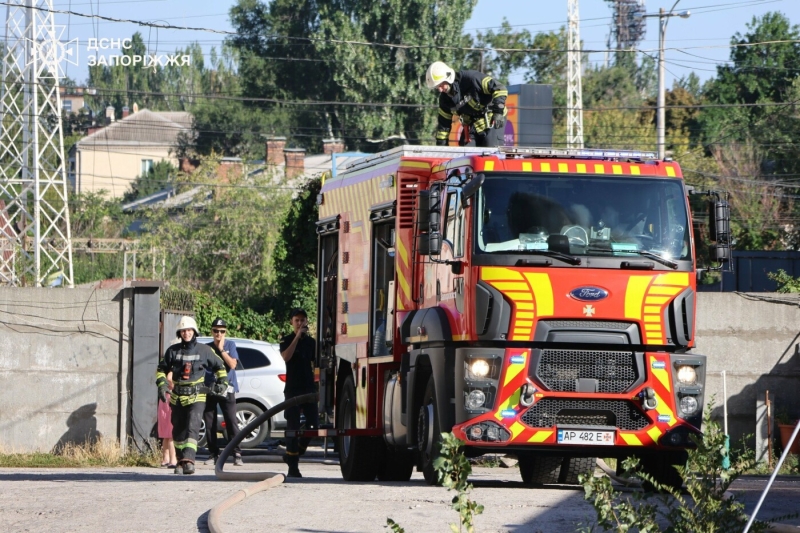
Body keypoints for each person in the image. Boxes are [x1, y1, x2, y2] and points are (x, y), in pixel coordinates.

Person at [156, 315, 227, 475]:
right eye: (183, 331)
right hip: (177, 396)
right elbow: (161, 369)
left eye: (189, 330)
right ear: (179, 333)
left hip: (197, 396)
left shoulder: (205, 350)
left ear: (194, 331)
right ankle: (181, 461)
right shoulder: (172, 351)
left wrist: (222, 384)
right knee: (178, 430)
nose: (186, 333)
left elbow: (220, 367)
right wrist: (161, 385)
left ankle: (189, 460)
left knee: (193, 426)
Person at [425, 61, 508, 147]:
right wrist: (441, 148)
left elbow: (500, 88)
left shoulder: (471, 79)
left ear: (448, 78)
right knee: (464, 154)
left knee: (490, 149)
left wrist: (498, 112)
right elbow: (443, 125)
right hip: (473, 126)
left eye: (441, 85)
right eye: (436, 87)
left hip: (492, 120)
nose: (440, 90)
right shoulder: (444, 100)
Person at [279, 308, 319, 478]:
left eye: (303, 320)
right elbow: (286, 357)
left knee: (313, 425)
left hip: (308, 388)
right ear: (291, 322)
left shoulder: (311, 343)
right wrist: (296, 337)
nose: (300, 323)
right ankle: (293, 467)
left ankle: (294, 454)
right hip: (292, 389)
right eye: (297, 320)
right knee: (293, 427)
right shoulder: (287, 340)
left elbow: (317, 364)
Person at [203, 317, 244, 467]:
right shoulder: (206, 347)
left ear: (225, 332)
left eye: (221, 331)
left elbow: (233, 364)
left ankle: (237, 453)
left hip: (228, 388)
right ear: (212, 331)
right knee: (209, 422)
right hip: (210, 388)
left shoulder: (230, 345)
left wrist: (221, 349)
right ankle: (213, 453)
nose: (218, 334)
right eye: (215, 331)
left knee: (231, 421)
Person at [157, 371, 177, 468]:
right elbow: (169, 378)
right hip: (170, 398)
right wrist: (175, 386)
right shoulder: (172, 368)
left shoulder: (162, 370)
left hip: (164, 399)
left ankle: (165, 459)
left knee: (166, 434)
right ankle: (173, 459)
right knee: (172, 433)